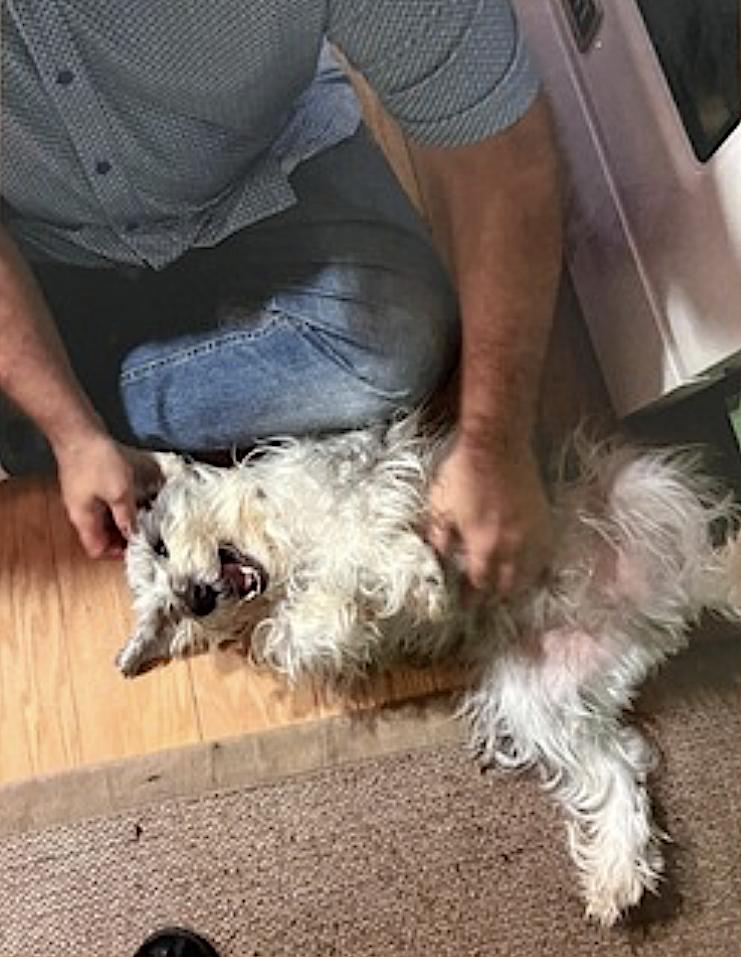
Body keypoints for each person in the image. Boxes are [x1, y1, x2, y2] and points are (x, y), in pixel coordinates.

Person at [1, 0, 561, 597]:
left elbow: (503, 155)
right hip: (44, 239)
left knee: (396, 338)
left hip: (260, 166)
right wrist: (72, 432)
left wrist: (494, 444)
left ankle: (40, 410)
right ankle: (58, 407)